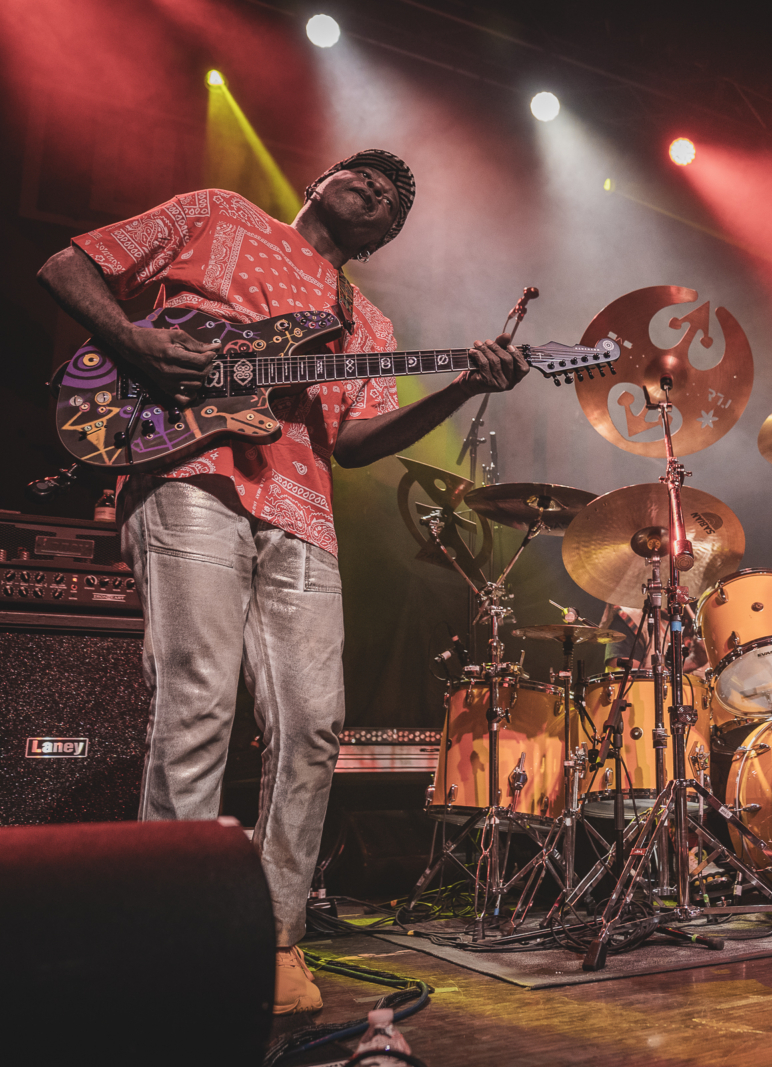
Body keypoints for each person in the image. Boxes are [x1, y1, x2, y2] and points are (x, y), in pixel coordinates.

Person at [36, 150, 530, 1012]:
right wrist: (136, 338)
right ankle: (167, 938)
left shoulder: (361, 318)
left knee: (313, 724)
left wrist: (460, 388)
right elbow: (67, 264)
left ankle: (270, 940)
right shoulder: (217, 212)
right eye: (365, 172)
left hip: (302, 512)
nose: (379, 186)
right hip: (191, 478)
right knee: (195, 704)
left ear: (384, 239)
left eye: (395, 200)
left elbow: (356, 441)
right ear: (320, 178)